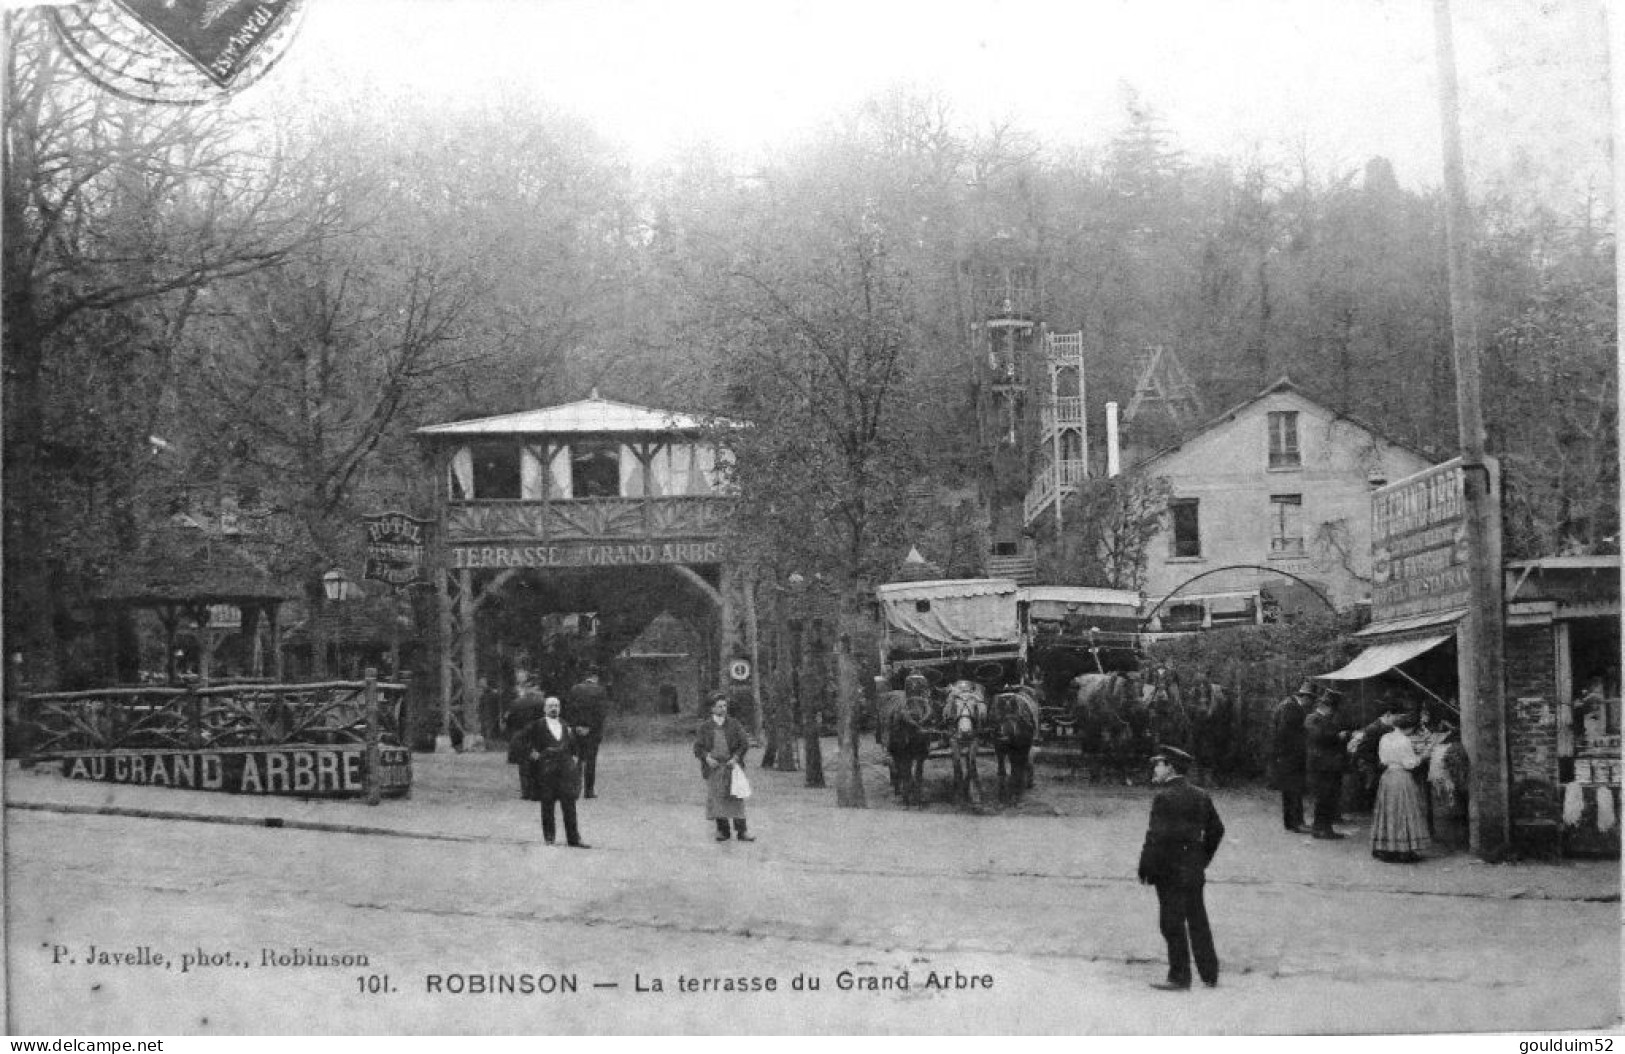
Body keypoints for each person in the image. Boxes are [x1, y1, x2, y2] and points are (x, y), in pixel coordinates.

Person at [1137, 745, 1224, 991]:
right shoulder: (1201, 794)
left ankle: (1179, 976)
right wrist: (1201, 857)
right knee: (1198, 919)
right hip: (1193, 869)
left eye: (1159, 764)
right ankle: (1210, 974)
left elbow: (1155, 837)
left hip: (1169, 870)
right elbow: (1217, 830)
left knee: (1171, 923)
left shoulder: (1163, 797)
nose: (1155, 768)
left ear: (1170, 767)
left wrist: (1146, 866)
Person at [524, 695, 590, 848]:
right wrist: (533, 753)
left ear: (560, 708)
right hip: (547, 769)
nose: (554, 709)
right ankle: (549, 838)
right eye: (551, 706)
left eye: (557, 706)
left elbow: (573, 744)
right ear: (544, 708)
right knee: (547, 804)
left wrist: (574, 757)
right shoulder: (537, 725)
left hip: (565, 770)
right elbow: (524, 742)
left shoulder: (566, 725)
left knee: (569, 804)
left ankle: (574, 839)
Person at [693, 691, 754, 842]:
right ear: (712, 709)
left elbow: (744, 744)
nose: (723, 709)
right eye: (719, 706)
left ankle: (742, 831)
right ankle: (723, 830)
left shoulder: (734, 724)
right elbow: (698, 747)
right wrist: (707, 758)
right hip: (714, 768)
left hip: (731, 767)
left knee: (736, 798)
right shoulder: (705, 727)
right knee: (717, 799)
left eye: (725, 706)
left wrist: (736, 758)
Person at [1370, 711, 1430, 863]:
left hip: (1388, 776)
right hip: (1401, 777)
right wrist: (1423, 756)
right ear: (1409, 728)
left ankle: (1386, 847)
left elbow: (1383, 759)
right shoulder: (1404, 741)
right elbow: (1410, 763)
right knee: (1403, 812)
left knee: (1388, 812)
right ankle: (1403, 850)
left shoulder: (1385, 738)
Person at [1304, 686, 1350, 839]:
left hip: (1328, 765)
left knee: (1329, 797)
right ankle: (1321, 828)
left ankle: (1324, 827)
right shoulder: (1313, 719)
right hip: (1321, 765)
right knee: (1324, 797)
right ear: (1325, 706)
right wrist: (1338, 737)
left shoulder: (1323, 720)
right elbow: (1318, 737)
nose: (1332, 712)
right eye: (1331, 708)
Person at [1272, 681, 1313, 832]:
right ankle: (1297, 822)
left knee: (1288, 790)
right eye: (1310, 699)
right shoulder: (1293, 708)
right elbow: (1286, 732)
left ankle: (1290, 822)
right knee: (1295, 788)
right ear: (1305, 697)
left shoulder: (1286, 704)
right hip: (1292, 755)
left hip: (1284, 755)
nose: (1310, 703)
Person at [564, 667, 609, 798]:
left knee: (577, 758)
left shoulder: (574, 689)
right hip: (593, 732)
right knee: (591, 760)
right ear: (596, 677)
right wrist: (590, 727)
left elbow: (569, 709)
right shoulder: (600, 691)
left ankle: (575, 788)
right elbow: (601, 713)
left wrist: (575, 726)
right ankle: (589, 791)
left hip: (576, 730)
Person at [505, 670, 548, 801]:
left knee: (523, 764)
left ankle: (526, 791)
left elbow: (509, 721)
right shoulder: (542, 702)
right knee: (538, 762)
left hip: (521, 736)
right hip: (538, 734)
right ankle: (537, 791)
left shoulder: (516, 703)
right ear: (535, 688)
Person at [1351, 704, 1399, 813]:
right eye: (1395, 717)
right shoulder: (1374, 728)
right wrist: (1378, 760)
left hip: (1380, 763)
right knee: (1371, 787)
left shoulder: (1388, 728)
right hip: (1371, 764)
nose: (1397, 720)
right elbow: (1364, 750)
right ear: (1388, 714)